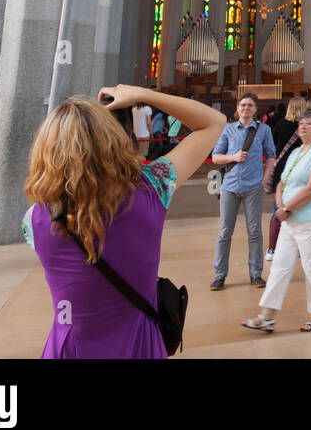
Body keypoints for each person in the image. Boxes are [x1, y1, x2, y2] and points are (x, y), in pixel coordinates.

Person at [23, 87, 227, 358]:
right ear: (115, 140)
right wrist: (143, 94)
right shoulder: (152, 187)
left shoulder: (34, 221)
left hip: (70, 348)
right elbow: (214, 122)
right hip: (138, 346)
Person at [241, 111, 311, 333]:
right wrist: (280, 206)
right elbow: (281, 183)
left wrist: (286, 208)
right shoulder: (296, 152)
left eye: (309, 124)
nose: (303, 127)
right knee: (279, 268)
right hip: (290, 221)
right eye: (301, 123)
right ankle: (267, 316)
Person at [210, 94, 277, 290]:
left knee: (254, 231)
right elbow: (216, 157)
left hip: (253, 187)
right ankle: (220, 275)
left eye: (250, 105)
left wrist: (264, 180)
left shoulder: (264, 130)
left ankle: (256, 273)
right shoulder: (228, 130)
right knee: (224, 231)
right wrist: (234, 156)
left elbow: (271, 155)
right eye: (243, 105)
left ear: (255, 109)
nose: (246, 108)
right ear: (237, 108)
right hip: (230, 186)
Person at [264, 98, 304, 261]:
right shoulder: (305, 127)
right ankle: (297, 248)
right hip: (299, 172)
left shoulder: (280, 124)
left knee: (278, 210)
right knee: (299, 210)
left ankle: (272, 248)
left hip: (281, 172)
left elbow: (272, 146)